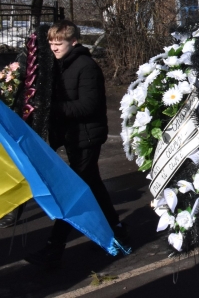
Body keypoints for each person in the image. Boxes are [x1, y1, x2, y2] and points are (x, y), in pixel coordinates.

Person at [24, 21, 127, 268]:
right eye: (51, 42)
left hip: (87, 136)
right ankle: (118, 231)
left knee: (73, 191)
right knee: (93, 185)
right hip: (72, 136)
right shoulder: (58, 67)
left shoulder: (86, 67)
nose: (54, 46)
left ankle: (54, 247)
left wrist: (51, 109)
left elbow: (88, 106)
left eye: (59, 42)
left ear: (74, 42)